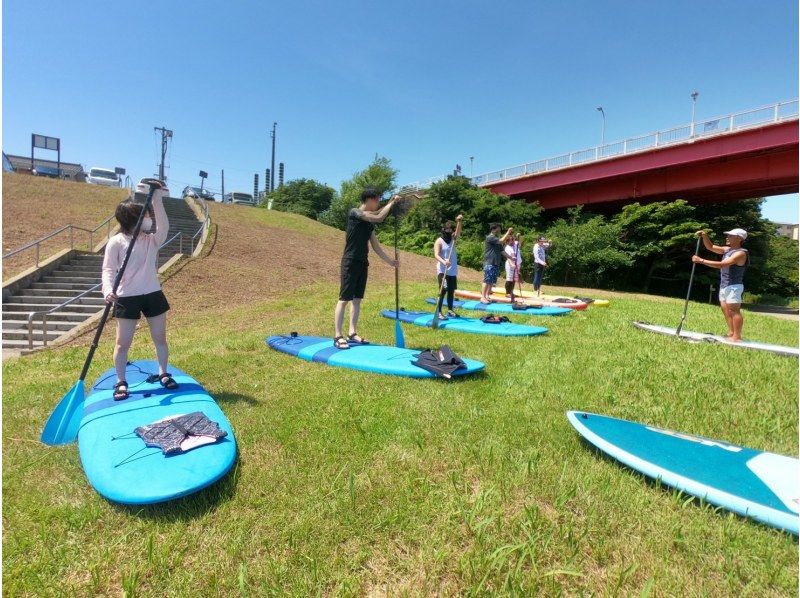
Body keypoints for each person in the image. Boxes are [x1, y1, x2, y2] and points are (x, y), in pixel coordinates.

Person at [102, 179, 176, 401]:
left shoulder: (151, 241)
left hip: (153, 294)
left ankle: (163, 373)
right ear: (132, 220)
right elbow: (108, 269)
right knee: (122, 343)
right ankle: (121, 381)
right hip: (127, 297)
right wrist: (107, 289)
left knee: (160, 338)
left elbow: (163, 225)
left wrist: (156, 199)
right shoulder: (116, 242)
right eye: (144, 216)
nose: (148, 219)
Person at [334, 188, 399, 349]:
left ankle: (352, 333)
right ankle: (337, 336)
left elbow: (376, 247)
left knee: (357, 300)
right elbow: (379, 217)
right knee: (344, 299)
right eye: (377, 200)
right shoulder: (355, 213)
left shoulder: (368, 224)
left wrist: (391, 261)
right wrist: (391, 203)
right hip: (350, 261)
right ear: (369, 199)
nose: (378, 203)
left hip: (363, 262)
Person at [691, 228, 749, 342]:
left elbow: (722, 265)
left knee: (734, 311)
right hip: (724, 285)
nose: (727, 237)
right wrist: (704, 236)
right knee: (726, 311)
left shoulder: (741, 253)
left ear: (739, 238)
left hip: (734, 286)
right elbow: (710, 247)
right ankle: (731, 332)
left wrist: (701, 260)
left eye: (730, 236)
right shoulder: (727, 250)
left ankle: (737, 337)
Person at [433, 214, 463, 319]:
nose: (449, 231)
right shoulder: (439, 241)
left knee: (451, 290)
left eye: (451, 229)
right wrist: (443, 261)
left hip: (452, 270)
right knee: (443, 290)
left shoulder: (453, 239)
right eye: (447, 229)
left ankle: (450, 310)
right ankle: (439, 312)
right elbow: (436, 254)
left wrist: (459, 221)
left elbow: (458, 232)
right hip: (442, 270)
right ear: (443, 229)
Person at [481, 223, 513, 303]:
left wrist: (511, 257)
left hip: (495, 262)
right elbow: (502, 240)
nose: (500, 230)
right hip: (489, 262)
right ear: (494, 229)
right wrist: (508, 232)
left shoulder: (496, 239)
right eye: (498, 228)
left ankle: (487, 296)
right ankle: (482, 297)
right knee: (487, 280)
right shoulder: (490, 237)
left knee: (492, 280)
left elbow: (502, 251)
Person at [503, 233, 523, 297]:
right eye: (511, 240)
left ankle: (511, 292)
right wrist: (511, 264)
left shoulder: (515, 244)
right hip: (510, 265)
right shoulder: (507, 248)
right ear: (507, 241)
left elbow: (522, 240)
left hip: (517, 264)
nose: (512, 241)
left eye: (513, 239)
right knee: (509, 279)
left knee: (514, 279)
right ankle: (507, 293)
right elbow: (508, 257)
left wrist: (518, 236)